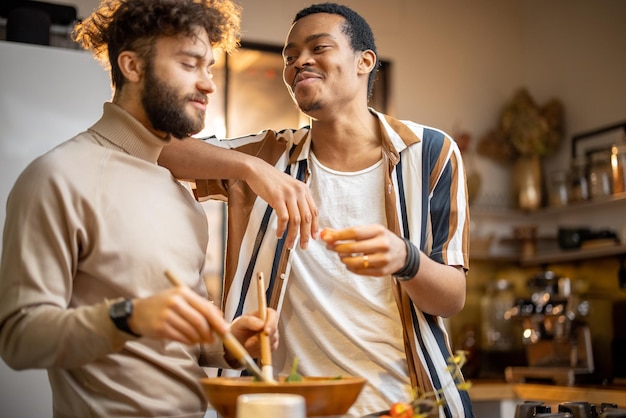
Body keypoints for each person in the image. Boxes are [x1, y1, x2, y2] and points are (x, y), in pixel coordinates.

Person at [0, 0, 322, 416]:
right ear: (132, 67)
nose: (208, 84)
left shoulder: (179, 194)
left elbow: (175, 336)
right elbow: (18, 339)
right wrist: (127, 317)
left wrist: (224, 342)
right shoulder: (58, 176)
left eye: (209, 67)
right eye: (190, 65)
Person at [159, 3, 474, 417]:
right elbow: (159, 149)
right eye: (290, 56)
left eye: (318, 47)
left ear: (364, 61)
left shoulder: (431, 152)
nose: (298, 62)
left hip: (404, 405)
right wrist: (251, 168)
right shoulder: (268, 156)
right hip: (289, 406)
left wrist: (405, 258)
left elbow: (451, 298)